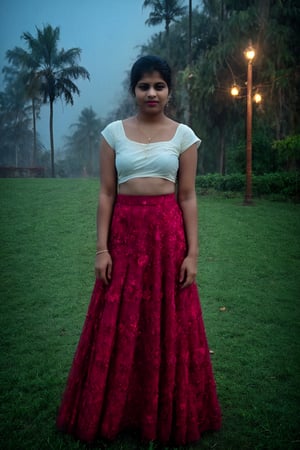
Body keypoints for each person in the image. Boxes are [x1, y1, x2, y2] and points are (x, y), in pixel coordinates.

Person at [56, 55, 221, 446]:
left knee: (168, 320)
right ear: (133, 90)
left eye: (159, 86)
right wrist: (101, 249)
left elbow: (188, 196)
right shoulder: (113, 133)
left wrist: (193, 254)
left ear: (169, 91)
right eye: (144, 85)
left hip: (167, 240)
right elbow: (106, 193)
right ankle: (116, 409)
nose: (151, 93)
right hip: (125, 239)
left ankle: (166, 407)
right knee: (119, 320)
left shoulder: (184, 135)